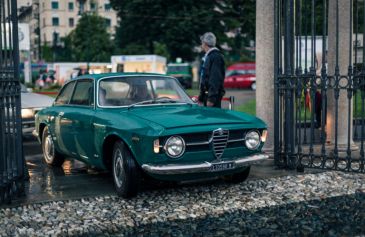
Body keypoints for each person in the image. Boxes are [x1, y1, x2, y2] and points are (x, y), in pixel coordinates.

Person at [198, 32, 225, 108]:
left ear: (205, 43)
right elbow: (205, 79)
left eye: (202, 43)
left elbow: (215, 79)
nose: (201, 45)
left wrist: (211, 99)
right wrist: (201, 98)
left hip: (211, 98)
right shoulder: (209, 56)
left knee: (213, 119)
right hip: (207, 96)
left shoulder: (215, 57)